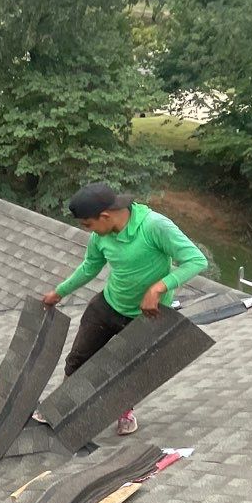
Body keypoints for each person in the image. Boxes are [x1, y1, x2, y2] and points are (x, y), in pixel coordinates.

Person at [39, 183, 208, 435]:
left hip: (146, 317)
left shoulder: (154, 226)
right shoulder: (101, 236)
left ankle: (123, 410)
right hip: (107, 306)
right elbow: (89, 267)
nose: (88, 231)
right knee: (78, 359)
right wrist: (59, 291)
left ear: (105, 216)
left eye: (88, 224)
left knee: (125, 368)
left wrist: (158, 288)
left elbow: (196, 260)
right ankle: (62, 407)